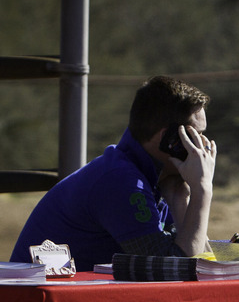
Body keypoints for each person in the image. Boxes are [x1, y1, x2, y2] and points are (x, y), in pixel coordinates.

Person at [10, 75, 217, 271]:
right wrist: (202, 190)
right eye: (196, 136)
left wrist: (181, 201)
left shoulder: (160, 180)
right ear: (169, 140)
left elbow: (203, 267)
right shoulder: (119, 180)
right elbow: (171, 271)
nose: (203, 148)